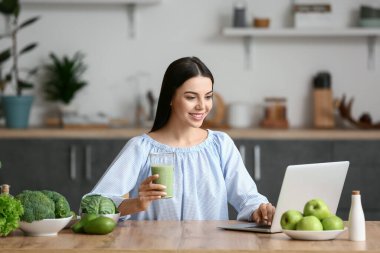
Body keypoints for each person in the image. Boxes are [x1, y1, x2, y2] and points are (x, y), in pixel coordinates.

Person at [88, 56, 275, 223]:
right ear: (170, 97)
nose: (202, 106)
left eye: (208, 97)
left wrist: (261, 209)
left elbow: (248, 198)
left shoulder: (221, 145)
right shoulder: (141, 148)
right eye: (191, 97)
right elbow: (92, 205)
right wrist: (137, 203)